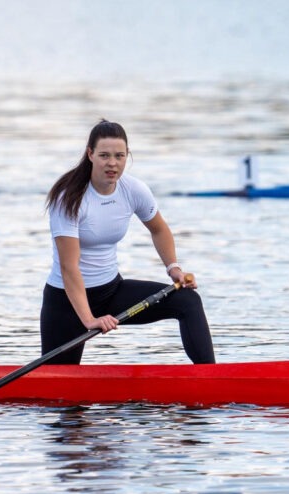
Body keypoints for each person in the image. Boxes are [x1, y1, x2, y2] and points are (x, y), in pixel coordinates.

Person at [39, 119, 216, 365]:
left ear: (127, 156)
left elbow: (159, 230)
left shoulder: (133, 190)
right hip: (67, 302)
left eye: (119, 156)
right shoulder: (68, 199)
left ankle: (208, 377)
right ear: (90, 154)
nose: (112, 163)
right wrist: (89, 319)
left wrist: (173, 268)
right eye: (104, 155)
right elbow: (69, 267)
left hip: (111, 291)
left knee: (188, 301)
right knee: (58, 392)